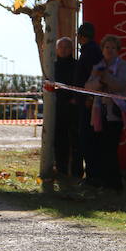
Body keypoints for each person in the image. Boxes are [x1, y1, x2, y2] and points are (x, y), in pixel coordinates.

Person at [83, 35, 126, 190]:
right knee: (100, 148)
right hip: (99, 112)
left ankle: (115, 184)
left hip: (115, 113)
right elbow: (88, 86)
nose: (109, 50)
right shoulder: (97, 66)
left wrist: (105, 76)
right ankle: (102, 181)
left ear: (118, 50)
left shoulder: (123, 65)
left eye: (113, 48)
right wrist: (100, 80)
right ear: (102, 49)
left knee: (111, 149)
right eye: (107, 47)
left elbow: (119, 85)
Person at [73, 22, 103, 184]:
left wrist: (89, 98)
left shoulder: (90, 52)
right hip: (86, 101)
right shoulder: (91, 50)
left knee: (88, 139)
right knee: (88, 138)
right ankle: (92, 174)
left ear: (81, 36)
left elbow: (94, 77)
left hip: (89, 103)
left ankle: (93, 176)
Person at [53, 36, 78, 178]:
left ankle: (76, 171)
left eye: (66, 47)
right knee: (59, 139)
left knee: (74, 141)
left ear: (72, 49)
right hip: (57, 108)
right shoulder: (52, 65)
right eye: (61, 47)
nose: (63, 50)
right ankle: (60, 168)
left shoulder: (76, 65)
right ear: (56, 49)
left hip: (73, 107)